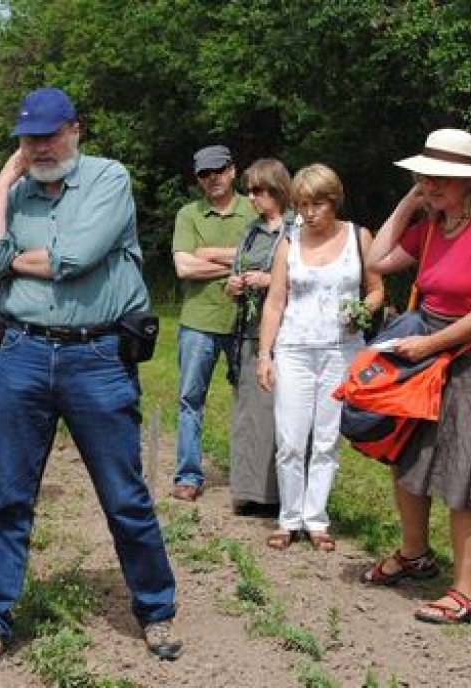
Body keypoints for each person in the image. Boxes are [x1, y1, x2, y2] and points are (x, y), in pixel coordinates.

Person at [0, 87, 182, 682]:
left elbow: (71, 258)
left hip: (96, 355)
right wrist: (3, 179)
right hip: (22, 352)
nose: (41, 147)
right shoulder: (16, 189)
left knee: (124, 495)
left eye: (50, 135)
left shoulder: (108, 179)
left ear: (76, 129)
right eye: (29, 139)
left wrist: (10, 255)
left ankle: (155, 611)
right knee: (6, 497)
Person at [363, 129, 471, 624]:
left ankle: (468, 592)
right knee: (407, 450)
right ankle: (415, 554)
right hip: (426, 355)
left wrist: (431, 344)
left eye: (441, 178)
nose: (431, 184)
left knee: (465, 468)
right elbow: (375, 260)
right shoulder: (431, 226)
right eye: (424, 176)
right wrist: (410, 200)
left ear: (470, 184)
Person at [256, 164, 383, 551]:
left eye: (317, 204)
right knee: (291, 438)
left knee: (326, 438)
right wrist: (265, 354)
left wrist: (362, 310)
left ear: (334, 201)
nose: (309, 212)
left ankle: (316, 519)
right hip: (294, 349)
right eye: (302, 204)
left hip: (342, 350)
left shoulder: (359, 237)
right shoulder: (289, 243)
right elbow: (275, 302)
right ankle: (288, 518)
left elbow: (377, 291)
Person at [171, 144, 257, 501]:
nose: (213, 179)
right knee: (191, 399)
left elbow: (270, 260)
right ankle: (188, 476)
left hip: (248, 322)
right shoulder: (188, 214)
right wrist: (241, 262)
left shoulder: (254, 208)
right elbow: (184, 267)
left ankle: (251, 479)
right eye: (205, 174)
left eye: (218, 171)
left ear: (233, 171)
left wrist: (208, 254)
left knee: (252, 400)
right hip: (198, 321)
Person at [225, 159, 295, 516]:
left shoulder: (297, 230)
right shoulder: (251, 232)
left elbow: (309, 278)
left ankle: (276, 496)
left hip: (288, 334)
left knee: (276, 415)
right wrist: (235, 284)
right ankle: (247, 491)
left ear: (277, 191)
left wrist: (271, 282)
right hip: (249, 334)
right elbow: (233, 276)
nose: (251, 197)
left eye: (257, 190)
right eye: (248, 190)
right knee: (247, 413)